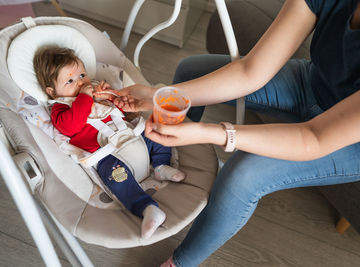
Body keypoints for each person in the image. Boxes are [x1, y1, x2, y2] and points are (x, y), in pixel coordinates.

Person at [114, 0, 360, 265]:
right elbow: (249, 71)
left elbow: (314, 137)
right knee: (190, 72)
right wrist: (156, 97)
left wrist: (211, 132)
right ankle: (167, 164)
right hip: (312, 84)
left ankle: (181, 262)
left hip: (347, 139)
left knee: (245, 174)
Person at [33, 46, 185, 239]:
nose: (80, 83)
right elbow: (70, 126)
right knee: (114, 177)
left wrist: (111, 97)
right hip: (108, 155)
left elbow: (125, 112)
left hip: (131, 138)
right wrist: (85, 97)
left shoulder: (96, 91)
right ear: (52, 92)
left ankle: (161, 165)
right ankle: (147, 208)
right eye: (70, 81)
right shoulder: (60, 109)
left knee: (155, 132)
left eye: (82, 75)